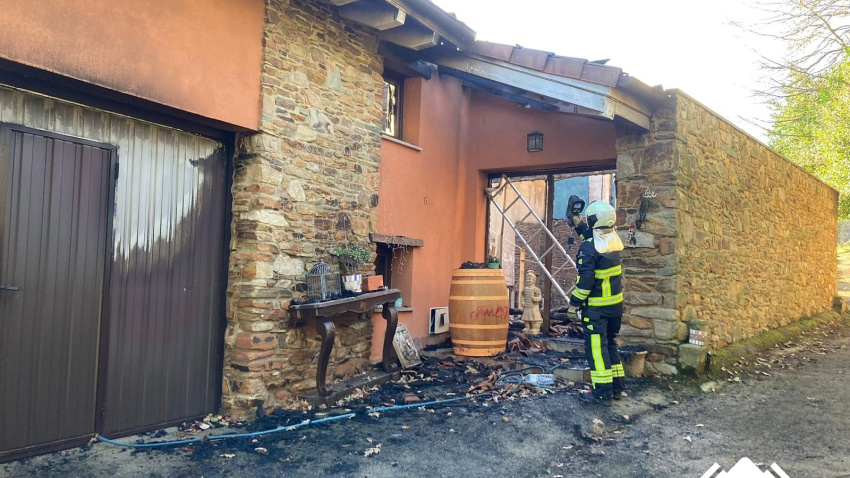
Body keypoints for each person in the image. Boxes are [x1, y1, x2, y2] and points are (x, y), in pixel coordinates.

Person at [567, 200, 625, 406]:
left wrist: (574, 304)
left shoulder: (588, 249)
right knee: (610, 345)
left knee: (597, 351)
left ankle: (602, 394)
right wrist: (576, 223)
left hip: (596, 310)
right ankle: (616, 389)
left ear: (593, 220)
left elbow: (585, 282)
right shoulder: (612, 241)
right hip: (615, 308)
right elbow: (592, 236)